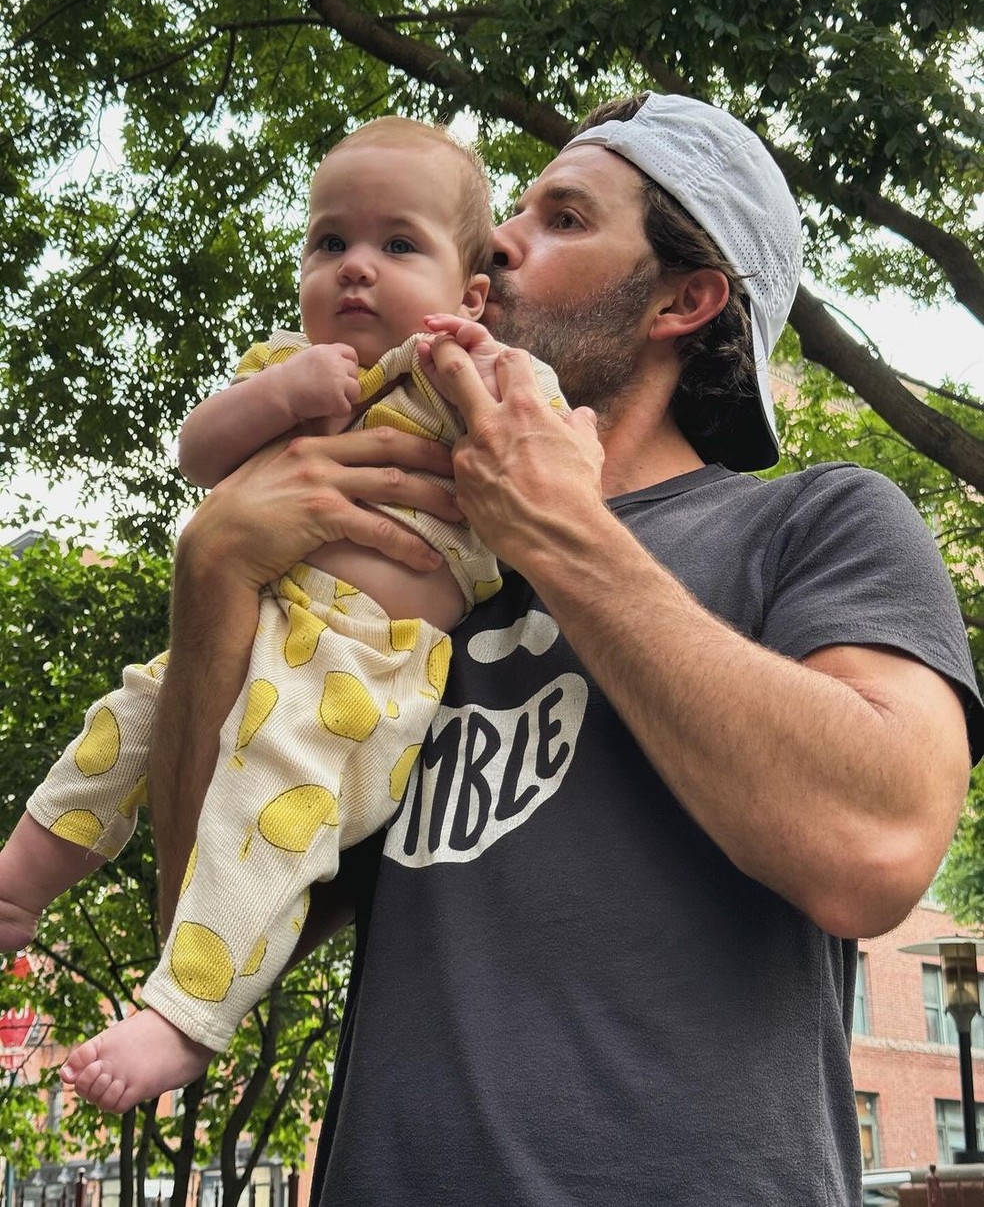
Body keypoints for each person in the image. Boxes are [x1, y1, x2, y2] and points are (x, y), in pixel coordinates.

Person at [114, 91, 984, 1204]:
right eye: (509, 214)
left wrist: (557, 530)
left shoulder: (816, 523)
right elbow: (213, 915)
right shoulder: (407, 580)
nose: (500, 242)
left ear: (685, 298)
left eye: (564, 218)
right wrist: (216, 578)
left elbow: (873, 847)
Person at [0, 116, 565, 1112]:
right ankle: (19, 882)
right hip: (254, 620)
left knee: (270, 811)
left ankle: (184, 1017)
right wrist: (277, 399)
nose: (356, 269)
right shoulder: (286, 369)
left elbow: (540, 471)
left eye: (398, 245)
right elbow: (199, 454)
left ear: (470, 294)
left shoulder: (464, 377)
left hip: (356, 674)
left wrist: (496, 377)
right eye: (329, 242)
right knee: (121, 726)